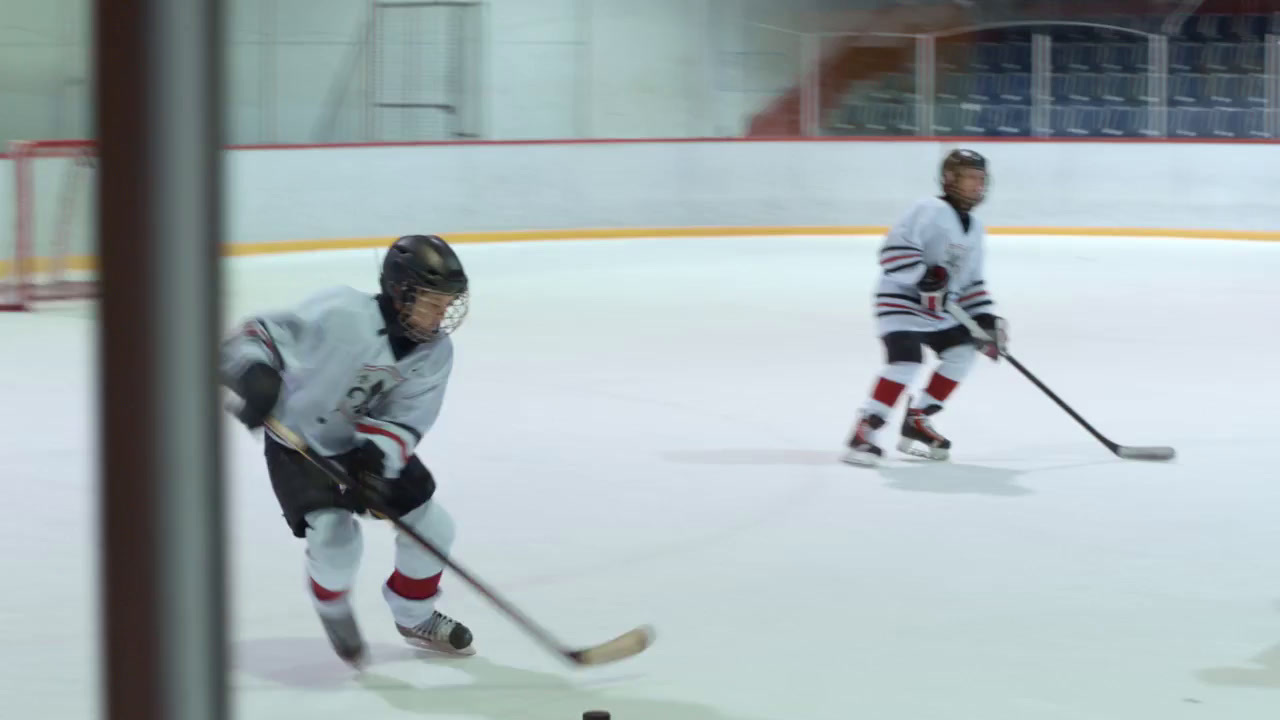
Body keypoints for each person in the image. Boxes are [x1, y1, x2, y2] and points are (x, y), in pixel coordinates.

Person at [220, 234, 475, 667]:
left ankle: (414, 615)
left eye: (447, 303)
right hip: (301, 445)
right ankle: (334, 609)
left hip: (364, 448)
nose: (441, 314)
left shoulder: (435, 354)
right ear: (399, 293)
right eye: (432, 301)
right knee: (336, 540)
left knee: (434, 528)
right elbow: (256, 332)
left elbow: (408, 418)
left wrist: (375, 461)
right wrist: (254, 373)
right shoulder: (340, 311)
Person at [844, 149, 1009, 466]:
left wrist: (985, 319)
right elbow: (892, 254)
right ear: (949, 179)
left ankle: (917, 419)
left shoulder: (975, 228)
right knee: (907, 362)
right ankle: (866, 429)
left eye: (981, 179)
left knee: (962, 353)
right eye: (971, 178)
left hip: (940, 310)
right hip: (901, 302)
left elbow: (972, 282)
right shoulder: (928, 208)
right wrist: (922, 275)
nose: (978, 185)